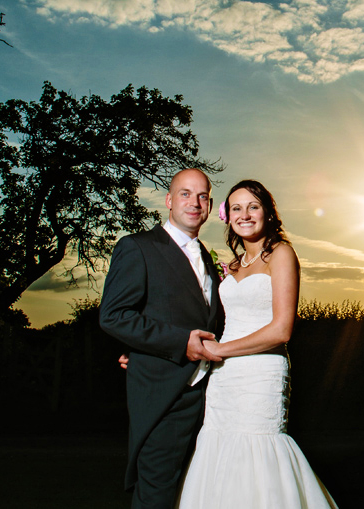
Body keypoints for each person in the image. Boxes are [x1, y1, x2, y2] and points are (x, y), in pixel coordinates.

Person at [176, 179, 337, 508]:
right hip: (224, 379)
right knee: (219, 452)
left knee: (258, 453)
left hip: (261, 373)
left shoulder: (281, 254)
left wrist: (220, 349)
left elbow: (281, 330)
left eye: (253, 206)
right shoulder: (232, 266)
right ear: (228, 216)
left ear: (267, 213)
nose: (244, 214)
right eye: (236, 207)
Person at [100, 168, 225, 509]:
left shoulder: (209, 261)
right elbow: (113, 315)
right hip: (165, 394)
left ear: (210, 205)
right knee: (157, 494)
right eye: (185, 193)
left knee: (199, 492)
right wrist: (174, 343)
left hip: (211, 397)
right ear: (169, 201)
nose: (194, 202)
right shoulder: (138, 247)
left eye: (202, 196)